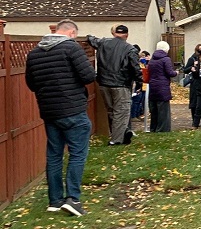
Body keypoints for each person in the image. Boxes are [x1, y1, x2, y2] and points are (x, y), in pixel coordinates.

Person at [25, 19, 97, 216]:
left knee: (54, 155)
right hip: (73, 109)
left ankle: (55, 200)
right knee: (77, 153)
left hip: (49, 111)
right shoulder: (71, 49)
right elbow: (88, 76)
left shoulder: (34, 53)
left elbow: (31, 83)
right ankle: (73, 199)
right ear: (71, 33)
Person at [87, 24, 142, 146]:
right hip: (121, 84)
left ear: (114, 33)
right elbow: (135, 68)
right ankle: (116, 140)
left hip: (104, 83)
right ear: (127, 35)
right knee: (121, 111)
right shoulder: (130, 49)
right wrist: (139, 82)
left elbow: (91, 39)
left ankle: (122, 133)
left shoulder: (103, 43)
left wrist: (88, 36)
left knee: (111, 111)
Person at [148, 41, 177, 132]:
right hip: (162, 86)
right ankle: (162, 129)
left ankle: (154, 127)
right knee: (163, 109)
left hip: (153, 86)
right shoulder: (166, 59)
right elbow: (170, 72)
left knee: (154, 109)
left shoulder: (152, 60)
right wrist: (176, 72)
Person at [184, 43, 201, 124]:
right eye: (200, 49)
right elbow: (186, 69)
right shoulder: (192, 59)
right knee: (194, 102)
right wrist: (192, 67)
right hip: (195, 82)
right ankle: (195, 119)